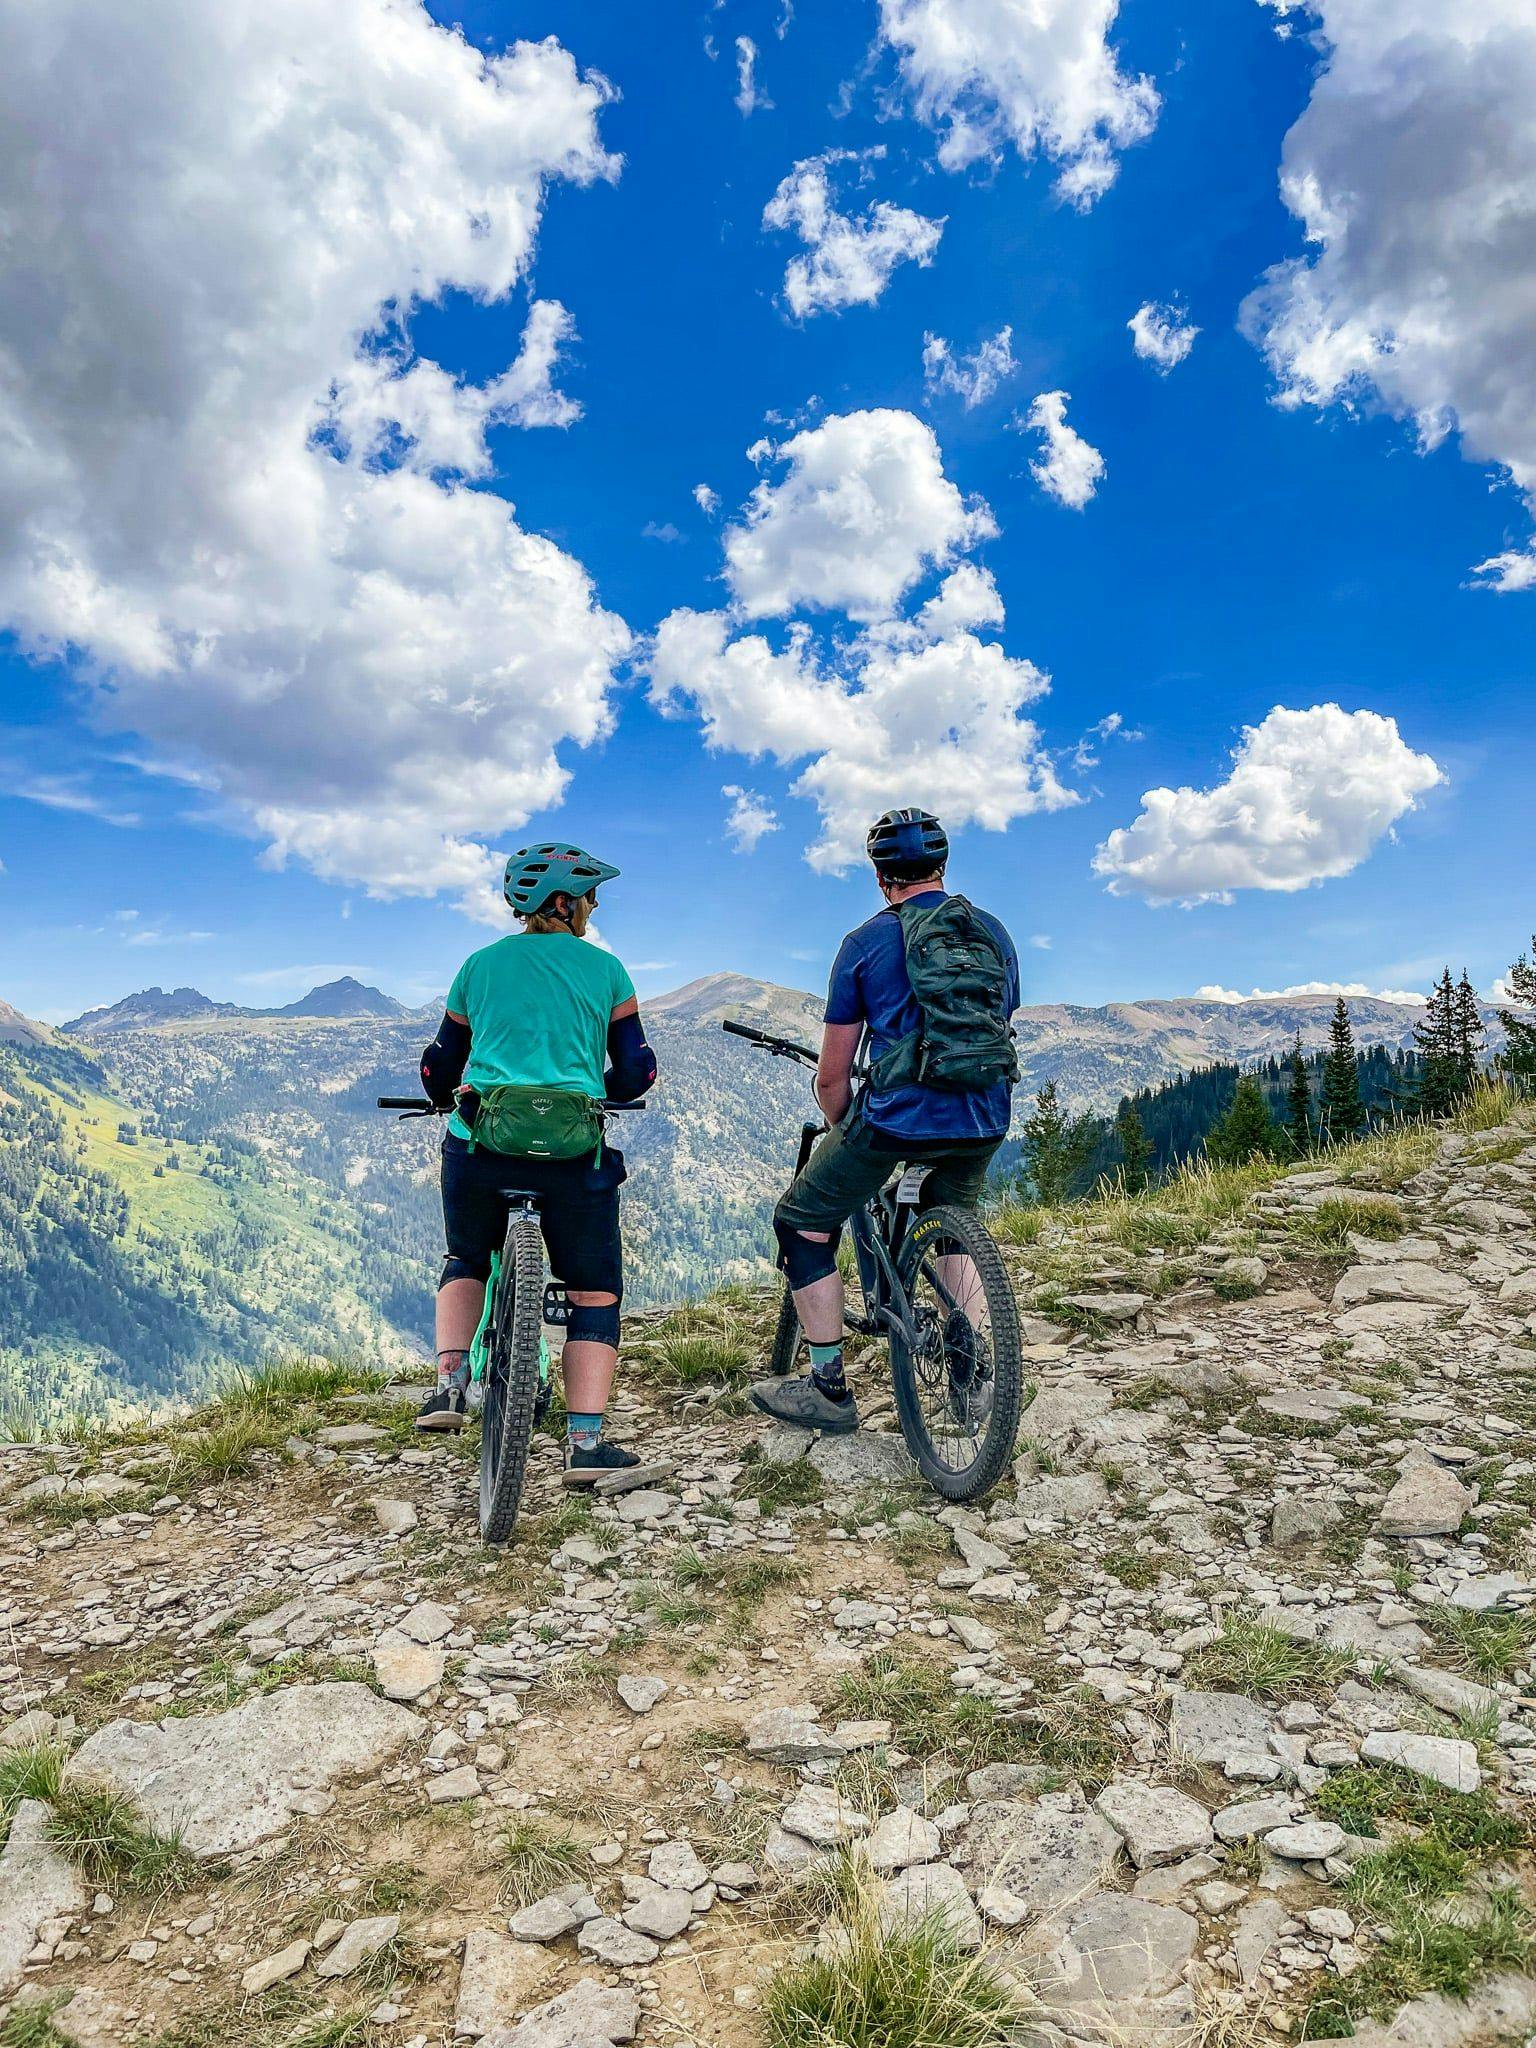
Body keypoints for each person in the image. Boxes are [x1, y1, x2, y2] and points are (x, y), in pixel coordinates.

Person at [751, 808, 1019, 1434]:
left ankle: (829, 1387)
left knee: (801, 1222)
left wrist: (845, 1128)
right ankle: (969, 1368)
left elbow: (832, 1078)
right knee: (951, 1222)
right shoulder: (993, 934)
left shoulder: (865, 944)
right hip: (985, 1113)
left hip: (898, 1117)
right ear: (943, 868)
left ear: (880, 877)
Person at [413, 843, 657, 1483]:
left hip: (483, 1147)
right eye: (589, 894)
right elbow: (636, 1071)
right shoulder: (608, 972)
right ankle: (584, 1443)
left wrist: (445, 1097)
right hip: (574, 1158)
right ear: (562, 902)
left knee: (467, 1257)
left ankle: (448, 1385)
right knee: (594, 1290)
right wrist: (595, 1090)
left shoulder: (479, 966)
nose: (595, 904)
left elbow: (441, 1064)